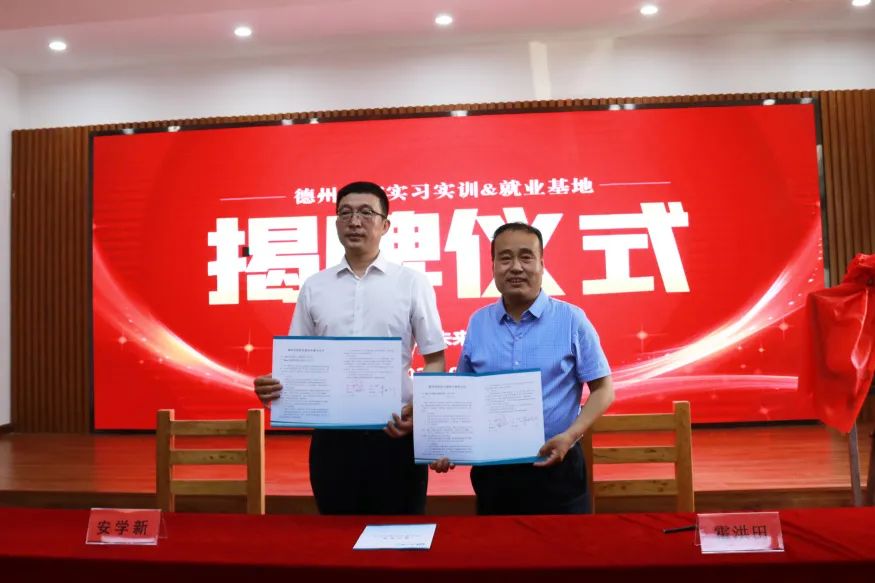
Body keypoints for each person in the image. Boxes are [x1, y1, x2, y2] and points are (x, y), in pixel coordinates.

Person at [254, 181, 446, 515]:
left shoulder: (411, 283)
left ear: (385, 225)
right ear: (336, 223)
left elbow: (436, 359)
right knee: (336, 533)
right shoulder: (315, 287)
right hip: (333, 438)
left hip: (394, 433)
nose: (354, 221)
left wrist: (420, 410)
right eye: (345, 213)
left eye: (366, 213)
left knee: (400, 534)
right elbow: (299, 363)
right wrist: (276, 387)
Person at [433, 222, 614, 515]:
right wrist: (448, 444)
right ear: (493, 266)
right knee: (499, 544)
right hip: (494, 472)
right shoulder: (478, 322)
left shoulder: (572, 319)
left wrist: (571, 435)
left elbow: (603, 389)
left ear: (542, 264)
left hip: (558, 467)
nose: (516, 267)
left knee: (565, 544)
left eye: (526, 257)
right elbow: (463, 394)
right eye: (505, 258)